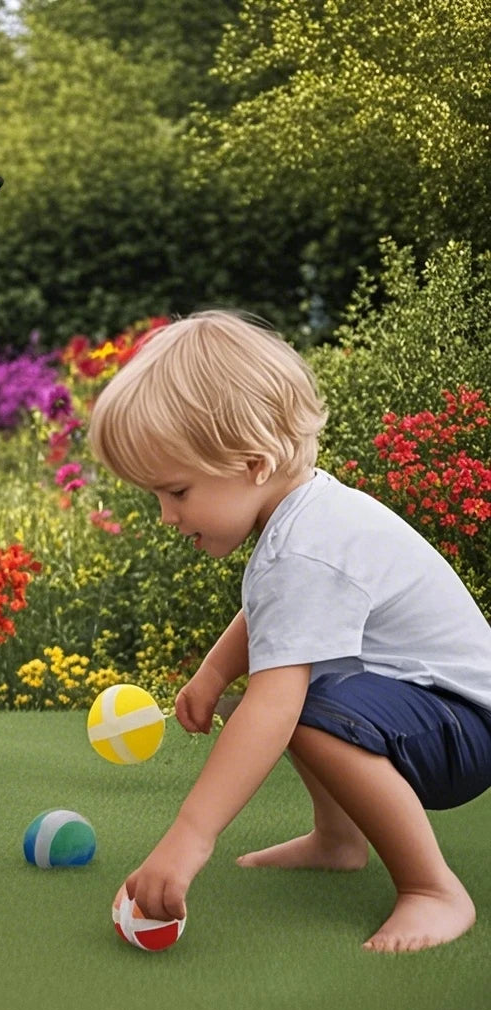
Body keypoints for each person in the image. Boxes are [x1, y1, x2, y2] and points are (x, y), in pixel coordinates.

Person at [87, 310, 491, 952]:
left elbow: (274, 706)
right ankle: (338, 841)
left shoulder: (304, 549)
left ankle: (432, 887)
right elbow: (274, 620)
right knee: (311, 690)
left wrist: (190, 835)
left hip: (463, 728)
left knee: (298, 707)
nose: (166, 516)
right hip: (438, 709)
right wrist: (216, 670)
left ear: (253, 462)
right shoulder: (303, 519)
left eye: (177, 491)